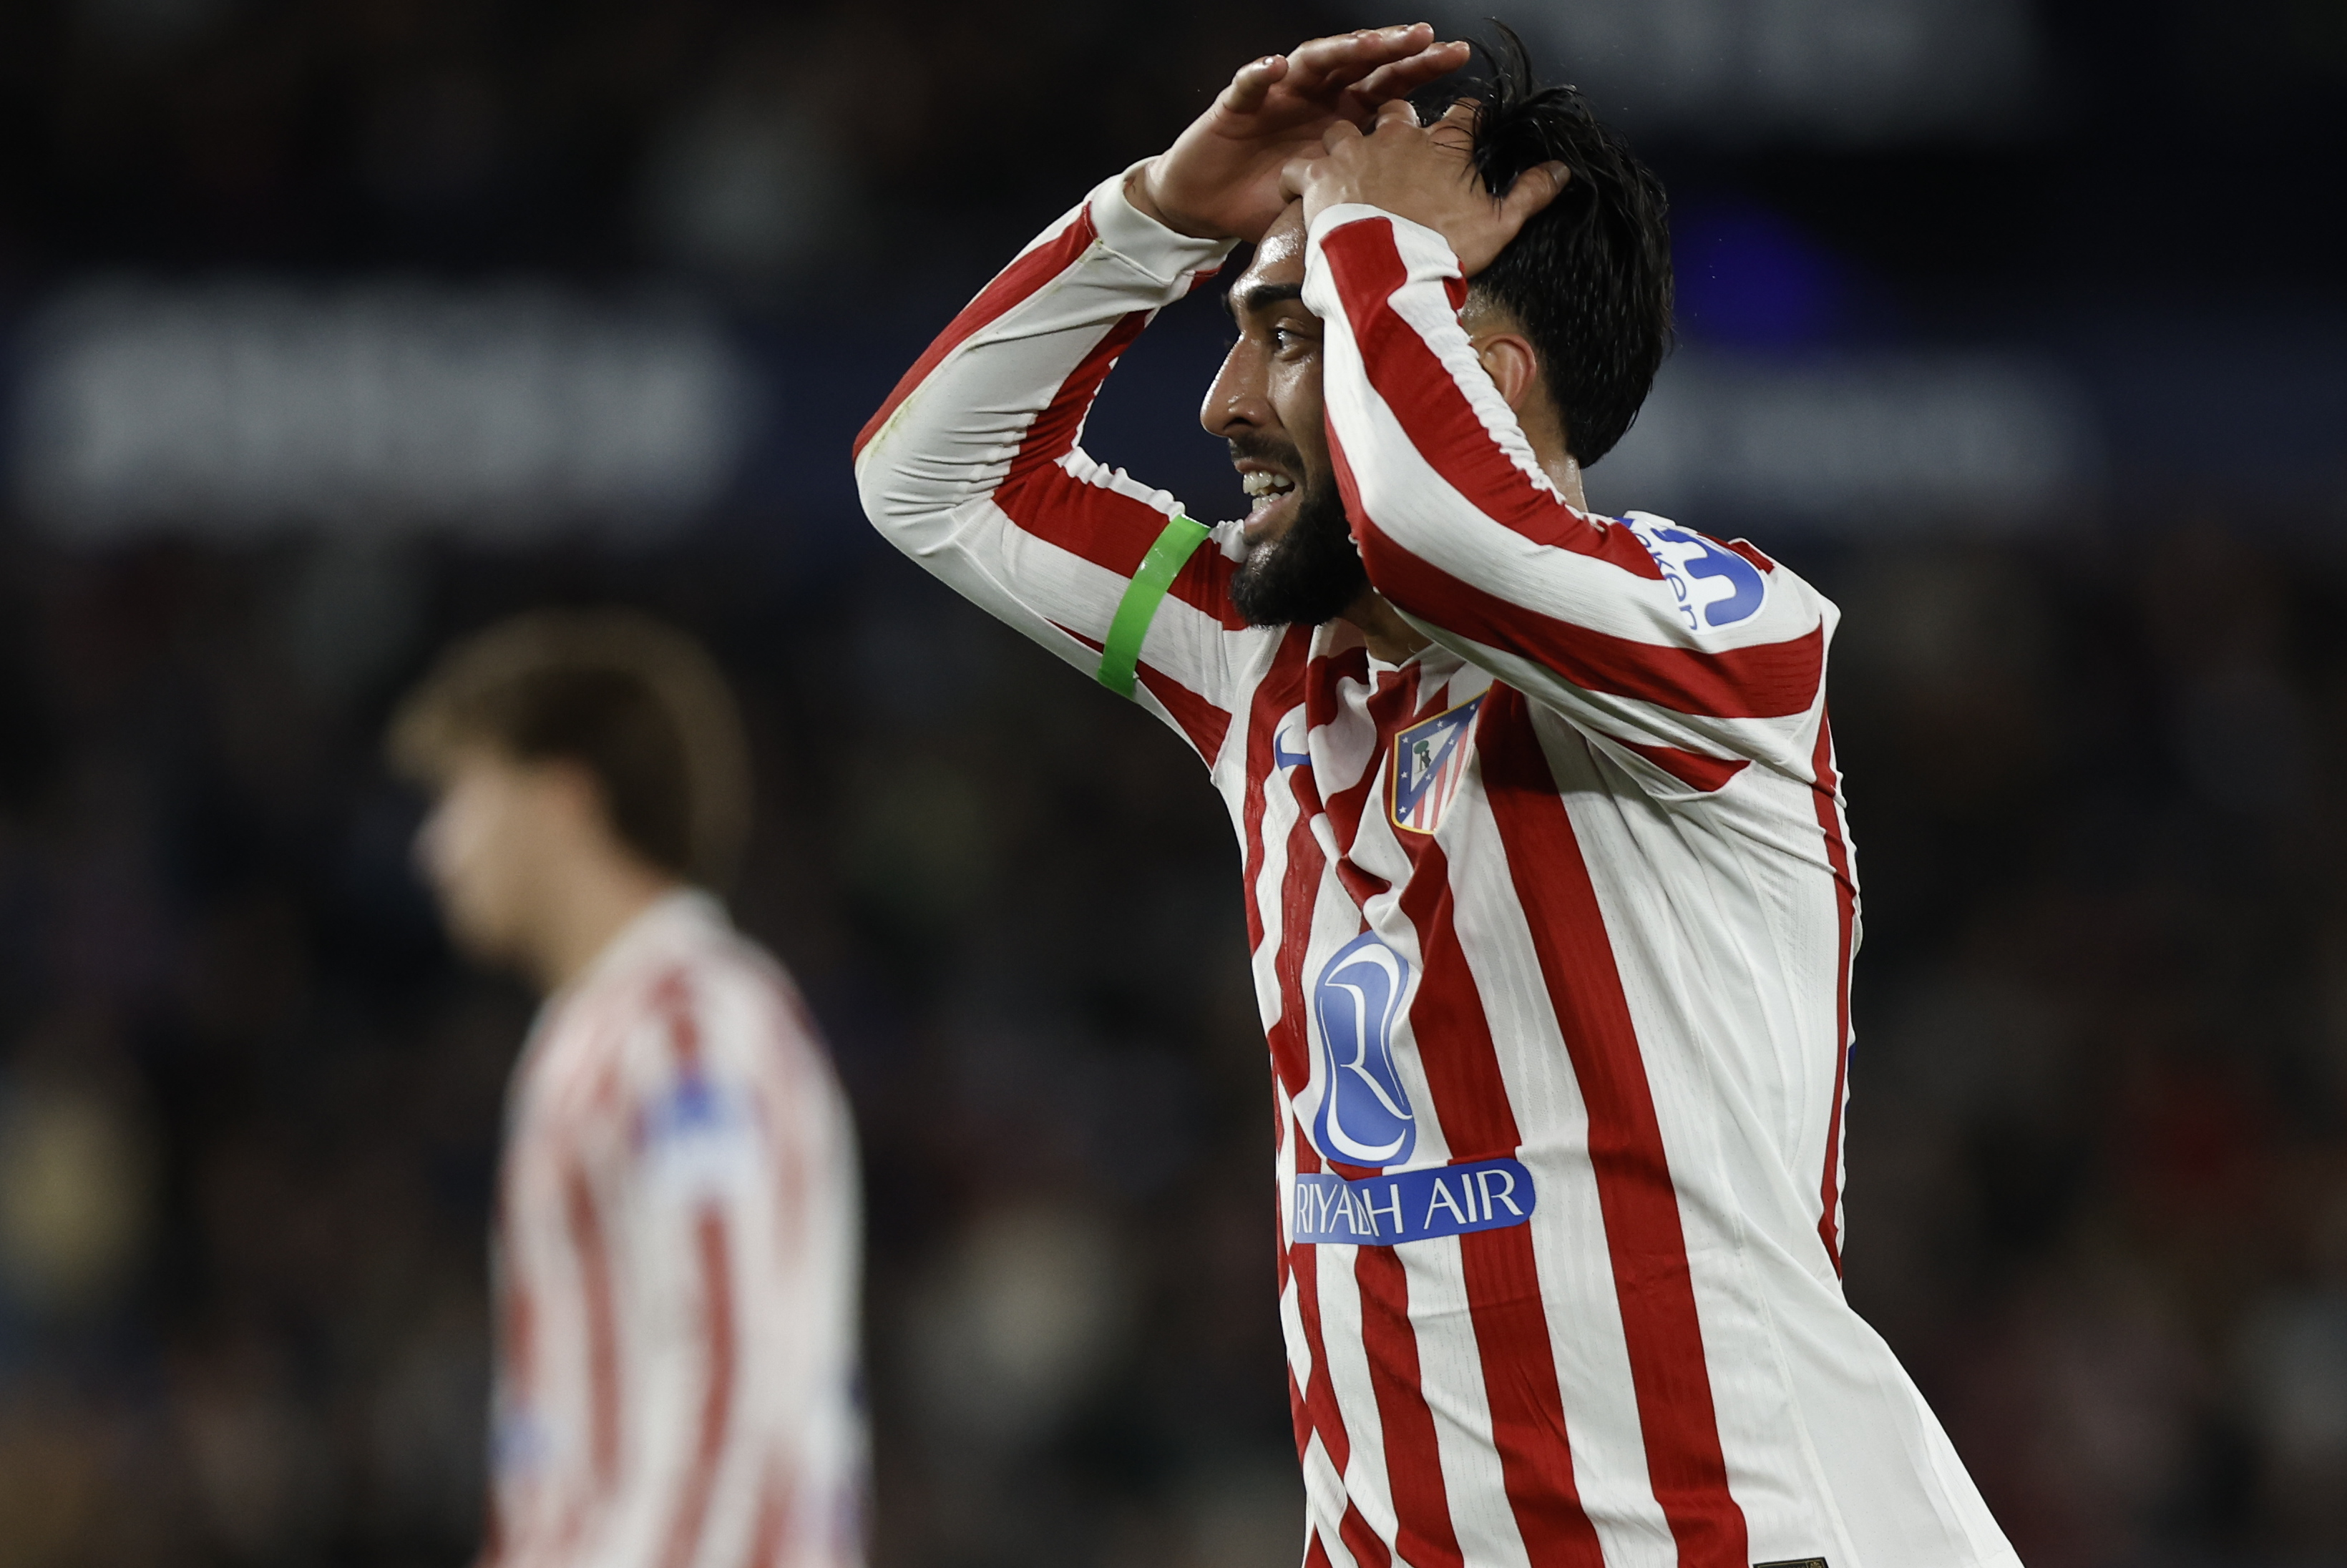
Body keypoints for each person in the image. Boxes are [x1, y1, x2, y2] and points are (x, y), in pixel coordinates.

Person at [855, 21, 2019, 1568]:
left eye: (1289, 334)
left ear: (1480, 373)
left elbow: (1439, 535)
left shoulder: (1722, 643)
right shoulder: (1259, 667)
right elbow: (930, 478)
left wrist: (1371, 243)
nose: (1219, 404)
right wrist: (1157, 216)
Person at [390, 610, 864, 1568]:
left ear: (561, 800)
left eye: (465, 796)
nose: (437, 850)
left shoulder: (685, 1031)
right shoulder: (605, 1032)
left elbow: (732, 1377)